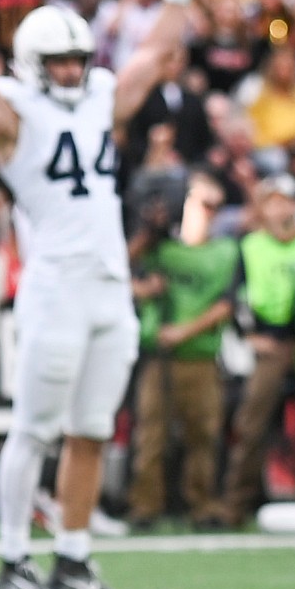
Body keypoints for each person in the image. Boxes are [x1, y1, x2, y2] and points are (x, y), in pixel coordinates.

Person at [0, 0, 195, 589]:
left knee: (92, 429)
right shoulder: (13, 111)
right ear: (32, 62)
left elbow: (154, 54)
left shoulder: (99, 98)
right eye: (57, 59)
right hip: (56, 284)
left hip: (108, 286)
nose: (69, 69)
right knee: (35, 427)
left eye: (76, 58)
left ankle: (75, 558)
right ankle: (12, 559)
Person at [127, 170, 238, 529]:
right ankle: (145, 506)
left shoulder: (225, 251)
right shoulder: (159, 247)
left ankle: (202, 505)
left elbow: (226, 305)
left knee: (203, 435)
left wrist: (183, 332)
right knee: (151, 435)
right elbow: (117, 269)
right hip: (159, 357)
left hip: (201, 356)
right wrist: (150, 233)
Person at [222, 176, 295, 526]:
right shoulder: (251, 245)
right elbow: (236, 296)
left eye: (285, 201)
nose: (280, 209)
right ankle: (237, 505)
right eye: (272, 202)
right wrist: (250, 336)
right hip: (270, 343)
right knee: (251, 425)